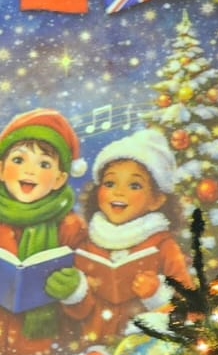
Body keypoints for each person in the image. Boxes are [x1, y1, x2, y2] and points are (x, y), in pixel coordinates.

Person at [0, 108, 92, 355]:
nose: (30, 171)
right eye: (19, 160)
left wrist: (74, 290)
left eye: (44, 164)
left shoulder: (72, 227)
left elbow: (90, 304)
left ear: (60, 178)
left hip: (46, 354)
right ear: (0, 169)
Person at [77, 128, 190, 342]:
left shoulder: (163, 245)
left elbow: (188, 304)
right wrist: (77, 292)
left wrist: (157, 294)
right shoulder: (87, 242)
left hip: (144, 347)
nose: (119, 192)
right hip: (92, 346)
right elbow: (76, 313)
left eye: (134, 185)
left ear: (156, 200)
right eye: (110, 183)